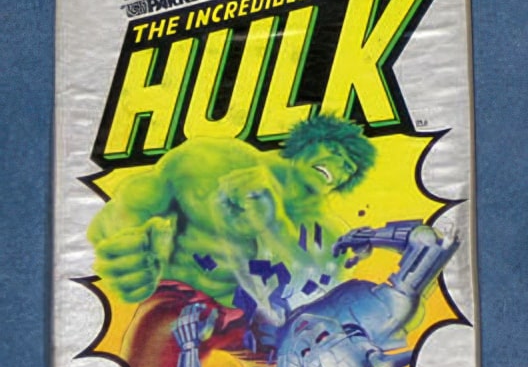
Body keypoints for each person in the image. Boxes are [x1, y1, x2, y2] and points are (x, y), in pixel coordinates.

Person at [88, 116, 376, 313]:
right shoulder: (213, 160)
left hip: (245, 337)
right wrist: (126, 251)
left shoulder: (330, 235)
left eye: (347, 167)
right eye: (333, 150)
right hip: (168, 309)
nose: (337, 164)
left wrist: (273, 226)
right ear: (307, 142)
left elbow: (312, 301)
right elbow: (130, 203)